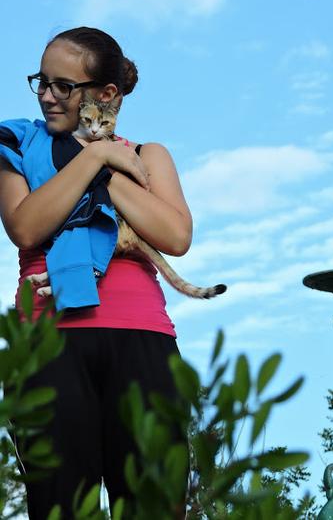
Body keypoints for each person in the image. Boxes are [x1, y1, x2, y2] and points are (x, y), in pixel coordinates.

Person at [0, 27, 192, 518]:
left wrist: (105, 162)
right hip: (47, 338)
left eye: (62, 86)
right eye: (40, 82)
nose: (46, 96)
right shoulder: (15, 143)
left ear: (106, 95)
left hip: (142, 338)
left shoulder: (148, 155)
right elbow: (25, 226)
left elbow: (174, 235)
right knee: (61, 507)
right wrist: (97, 157)